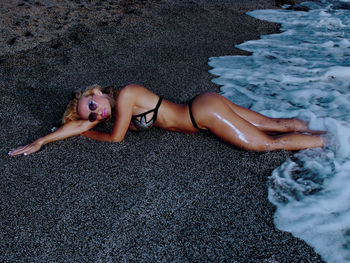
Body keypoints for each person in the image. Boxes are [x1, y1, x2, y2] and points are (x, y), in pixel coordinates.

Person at [9, 84, 326, 156]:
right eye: (92, 115)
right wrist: (41, 141)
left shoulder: (126, 96)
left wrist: (87, 135)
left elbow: (114, 138)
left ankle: (332, 142)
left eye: (92, 104)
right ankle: (332, 128)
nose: (95, 113)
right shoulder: (116, 106)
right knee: (276, 123)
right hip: (204, 106)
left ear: (96, 91)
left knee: (266, 144)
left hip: (203, 113)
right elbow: (78, 124)